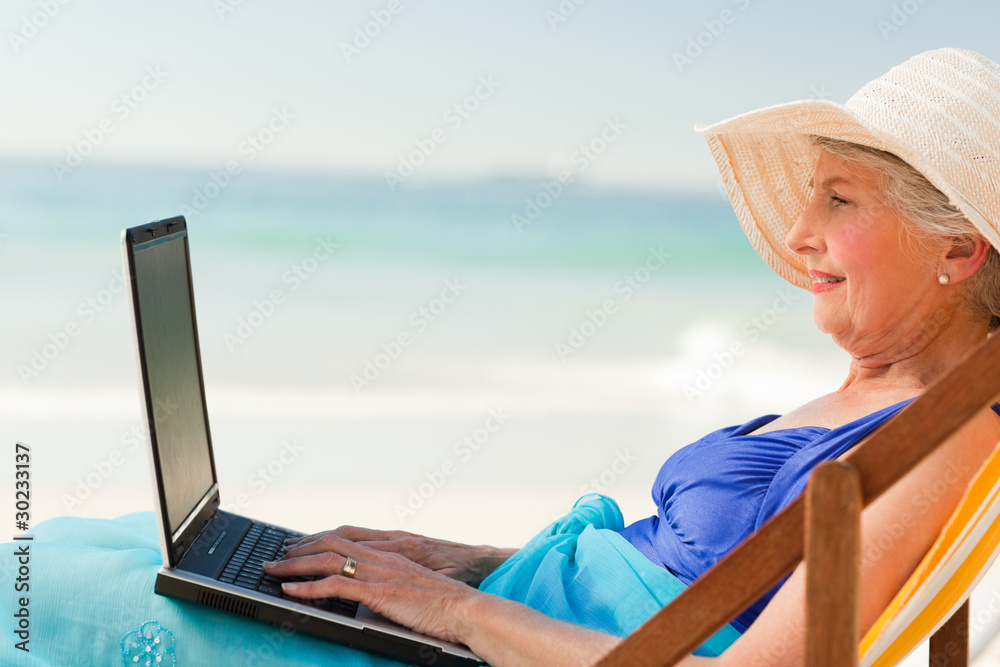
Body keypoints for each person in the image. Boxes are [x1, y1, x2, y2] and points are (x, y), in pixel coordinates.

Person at [261, 48, 1000, 666]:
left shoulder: (943, 435)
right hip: (503, 628)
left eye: (840, 199)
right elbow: (692, 577)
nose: (799, 232)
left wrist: (456, 610)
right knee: (159, 554)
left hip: (495, 647)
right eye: (811, 196)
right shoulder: (883, 403)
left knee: (150, 580)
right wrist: (466, 562)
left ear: (959, 247)